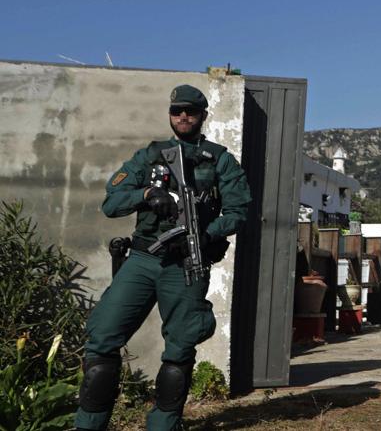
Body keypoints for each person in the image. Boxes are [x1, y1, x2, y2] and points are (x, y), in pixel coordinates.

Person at [75, 84, 252, 431]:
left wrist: (207, 231)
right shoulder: (150, 156)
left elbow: (239, 211)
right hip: (142, 260)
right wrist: (147, 194)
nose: (183, 116)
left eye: (190, 111)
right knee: (102, 338)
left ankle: (162, 424)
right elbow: (112, 203)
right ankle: (89, 424)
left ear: (202, 115)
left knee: (180, 348)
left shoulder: (220, 160)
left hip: (186, 263)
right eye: (176, 111)